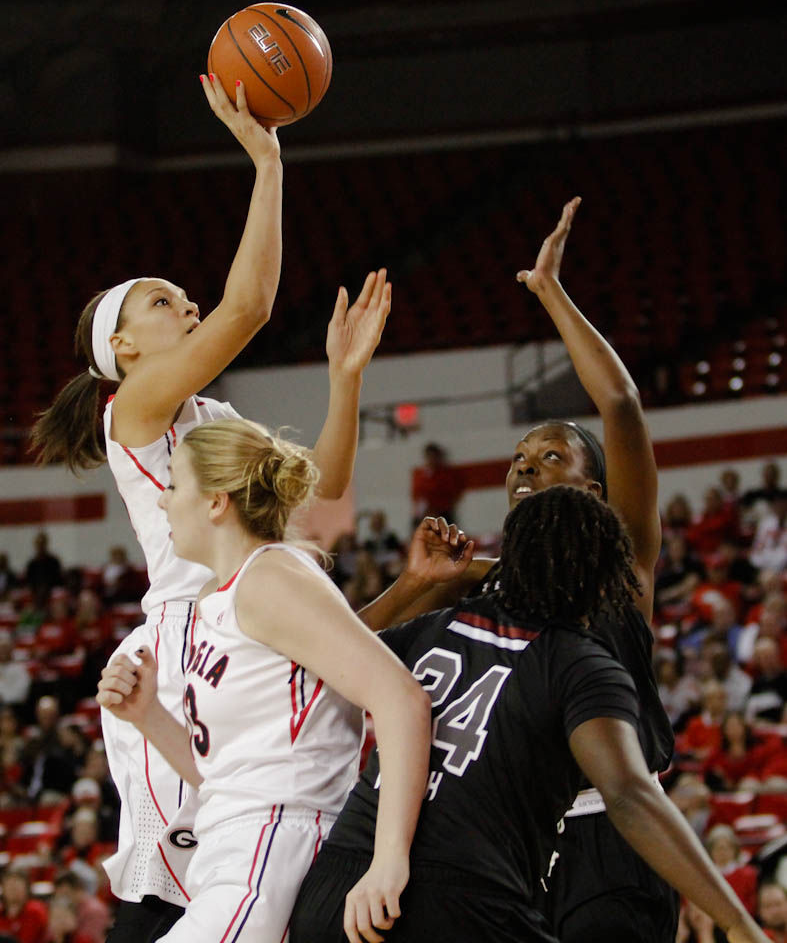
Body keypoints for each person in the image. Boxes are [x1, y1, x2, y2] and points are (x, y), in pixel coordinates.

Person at [31, 73, 391, 942]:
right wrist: (267, 162)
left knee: (274, 877)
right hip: (181, 658)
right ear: (120, 347)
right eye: (164, 302)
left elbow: (327, 488)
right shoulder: (136, 409)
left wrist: (344, 382)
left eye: (185, 297)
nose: (188, 305)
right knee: (180, 900)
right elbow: (252, 305)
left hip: (246, 636)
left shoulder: (214, 421)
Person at [359, 197, 677, 943]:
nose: (526, 468)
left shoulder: (619, 557)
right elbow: (339, 654)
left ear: (593, 490)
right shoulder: (483, 584)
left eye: (551, 457)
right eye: (518, 459)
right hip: (505, 843)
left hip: (613, 836)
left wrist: (550, 291)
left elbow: (621, 406)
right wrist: (417, 585)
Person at [290, 486, 769, 943]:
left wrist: (411, 585)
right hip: (455, 902)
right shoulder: (580, 662)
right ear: (602, 577)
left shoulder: (434, 627)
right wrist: (735, 921)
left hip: (336, 887)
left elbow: (318, 670)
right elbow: (628, 794)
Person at [97, 419, 431, 943]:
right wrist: (149, 717)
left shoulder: (271, 578)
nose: (162, 501)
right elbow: (224, 775)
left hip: (278, 844)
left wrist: (389, 859)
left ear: (215, 502)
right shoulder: (219, 595)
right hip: (231, 848)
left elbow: (401, 700)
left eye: (174, 485)